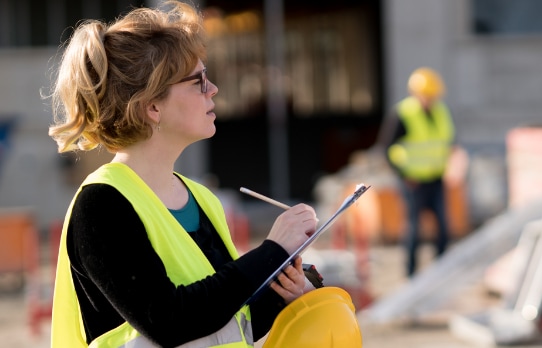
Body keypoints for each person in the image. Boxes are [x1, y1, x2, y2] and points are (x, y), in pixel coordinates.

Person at [46, 2, 342, 347]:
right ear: (151, 106)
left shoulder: (202, 199)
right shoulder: (101, 205)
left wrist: (286, 289)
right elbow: (168, 320)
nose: (213, 89)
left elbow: (227, 318)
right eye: (198, 81)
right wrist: (272, 251)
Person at [384, 67, 456, 277]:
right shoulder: (403, 113)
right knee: (414, 231)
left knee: (443, 229)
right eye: (427, 95)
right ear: (416, 93)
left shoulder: (441, 112)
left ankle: (441, 271)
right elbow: (387, 148)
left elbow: (446, 142)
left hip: (436, 177)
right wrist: (404, 174)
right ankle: (411, 274)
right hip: (413, 182)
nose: (431, 99)